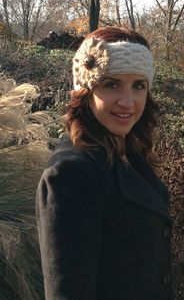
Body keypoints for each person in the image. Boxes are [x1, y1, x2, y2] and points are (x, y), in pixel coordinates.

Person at [36, 26, 173, 300]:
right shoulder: (70, 174)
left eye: (138, 85)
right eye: (112, 84)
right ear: (86, 90)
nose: (128, 102)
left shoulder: (129, 155)